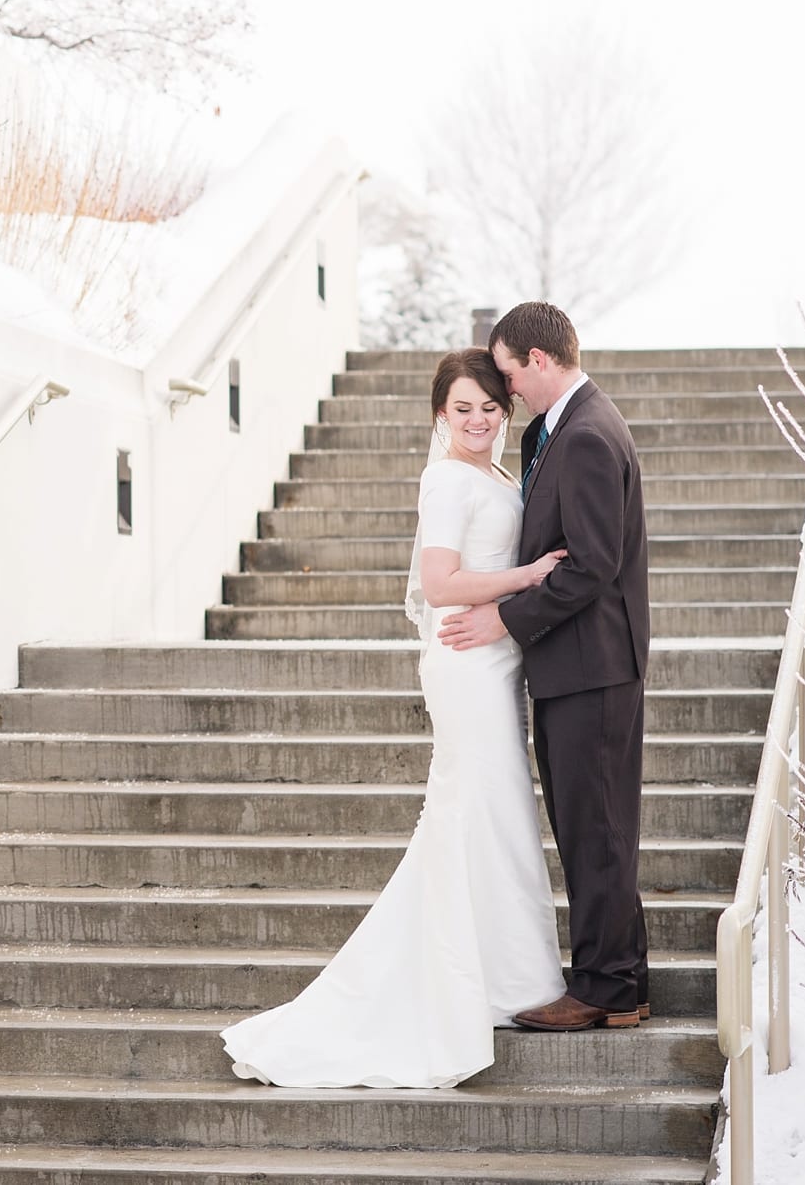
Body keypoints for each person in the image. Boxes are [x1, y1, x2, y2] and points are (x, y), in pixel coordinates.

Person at [221, 347, 568, 1088]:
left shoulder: (494, 473)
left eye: (489, 408)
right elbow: (440, 583)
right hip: (467, 662)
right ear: (440, 415)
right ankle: (460, 986)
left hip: (494, 659)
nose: (477, 420)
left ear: (504, 413)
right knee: (473, 809)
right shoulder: (445, 479)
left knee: (496, 812)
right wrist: (528, 578)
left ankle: (505, 977)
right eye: (462, 408)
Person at [440, 302, 652, 1030]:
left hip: (591, 668)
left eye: (507, 374)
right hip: (578, 666)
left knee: (594, 829)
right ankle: (623, 980)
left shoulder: (588, 434)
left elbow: (591, 565)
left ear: (537, 360)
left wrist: (503, 616)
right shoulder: (559, 429)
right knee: (596, 826)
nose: (505, 394)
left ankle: (604, 988)